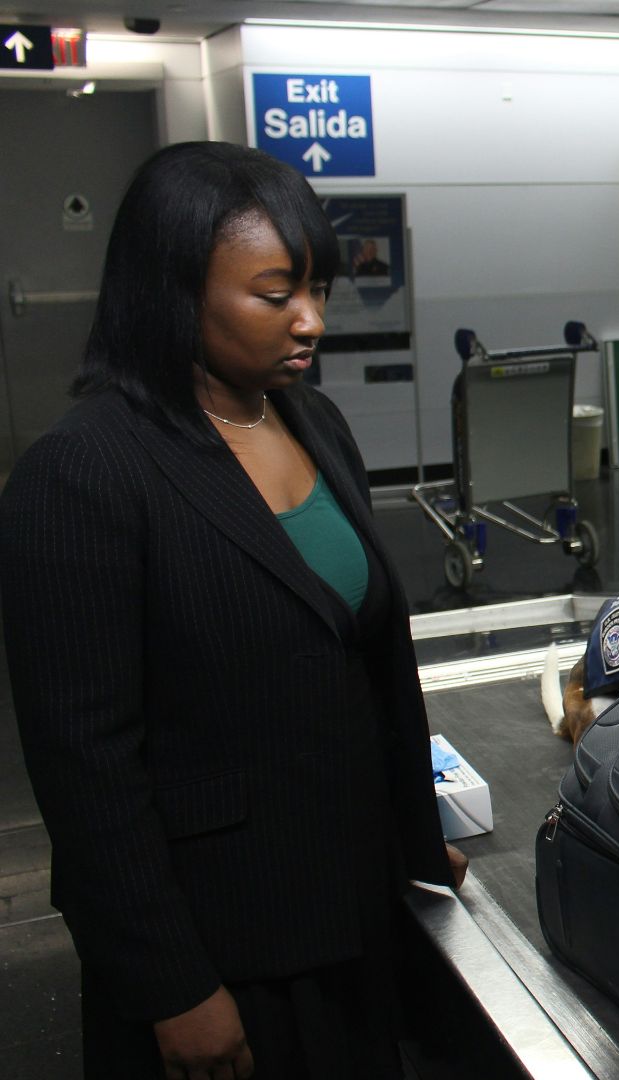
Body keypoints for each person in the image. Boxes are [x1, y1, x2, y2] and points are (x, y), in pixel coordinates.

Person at [0, 142, 463, 1079]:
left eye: (319, 289)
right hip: (227, 946)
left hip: (353, 908)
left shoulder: (312, 421)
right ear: (174, 293)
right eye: (276, 293)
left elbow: (365, 665)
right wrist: (170, 984)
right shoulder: (84, 473)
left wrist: (413, 842)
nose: (311, 320)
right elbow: (86, 767)